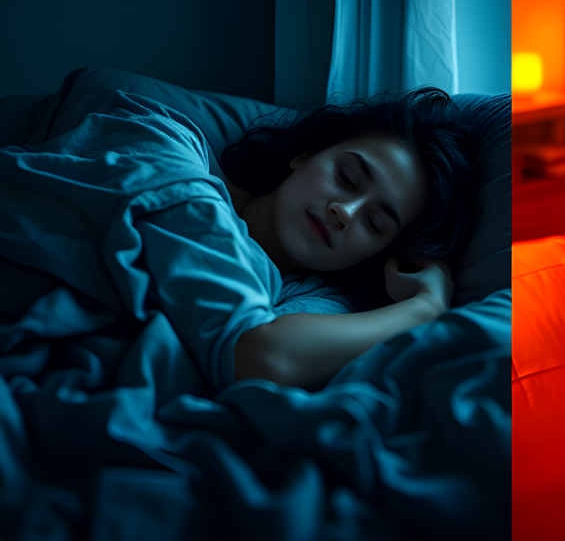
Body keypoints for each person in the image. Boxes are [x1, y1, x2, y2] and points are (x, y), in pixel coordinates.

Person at [0, 85, 480, 392]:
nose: (344, 211)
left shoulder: (316, 302)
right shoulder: (170, 149)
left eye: (376, 224)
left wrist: (424, 305)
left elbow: (277, 358)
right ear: (304, 154)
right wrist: (424, 310)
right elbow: (257, 355)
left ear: (382, 254)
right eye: (348, 177)